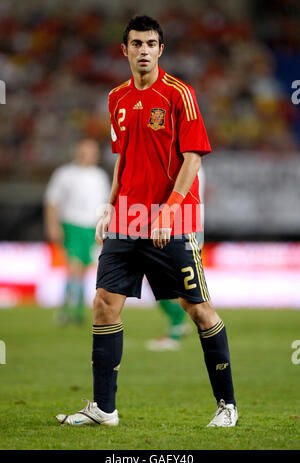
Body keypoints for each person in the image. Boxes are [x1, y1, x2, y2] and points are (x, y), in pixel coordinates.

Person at [56, 15, 238, 427]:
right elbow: (123, 157)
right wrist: (110, 205)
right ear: (125, 50)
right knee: (104, 306)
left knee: (199, 311)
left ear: (160, 50)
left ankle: (227, 405)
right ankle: (104, 409)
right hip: (126, 219)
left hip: (172, 221)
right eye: (136, 43)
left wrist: (169, 210)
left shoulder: (179, 94)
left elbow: (192, 158)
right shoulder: (116, 98)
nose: (143, 50)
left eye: (150, 43)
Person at [44, 138, 111, 324]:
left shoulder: (99, 176)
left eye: (92, 151)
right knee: (74, 267)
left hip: (91, 227)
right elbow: (52, 201)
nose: (89, 155)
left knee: (82, 270)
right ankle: (68, 310)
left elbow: (106, 204)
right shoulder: (65, 174)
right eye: (86, 151)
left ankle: (75, 311)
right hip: (72, 224)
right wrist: (52, 225)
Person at [146, 166, 205, 351]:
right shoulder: (184, 162)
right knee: (161, 281)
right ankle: (178, 324)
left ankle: (177, 329)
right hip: (172, 226)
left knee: (176, 283)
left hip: (182, 228)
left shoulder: (187, 164)